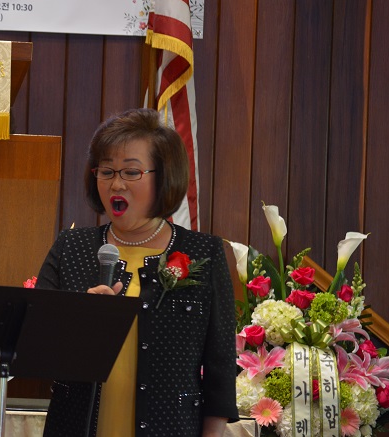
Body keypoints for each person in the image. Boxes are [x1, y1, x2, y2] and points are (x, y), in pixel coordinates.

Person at [37, 109, 238, 437]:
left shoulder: (203, 253)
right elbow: (36, 346)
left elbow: (221, 370)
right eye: (106, 171)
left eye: (131, 172)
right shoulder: (72, 247)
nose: (116, 184)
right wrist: (80, 322)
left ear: (164, 177)